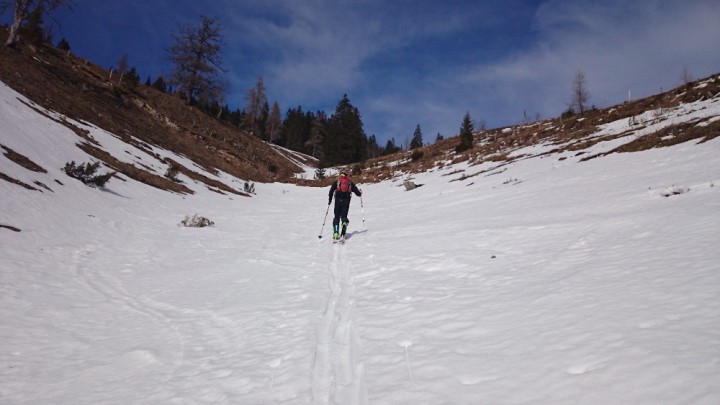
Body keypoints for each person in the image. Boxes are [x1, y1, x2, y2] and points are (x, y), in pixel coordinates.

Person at [328, 171, 362, 240]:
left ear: (340, 175)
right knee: (344, 216)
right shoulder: (349, 183)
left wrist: (330, 200)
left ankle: (336, 233)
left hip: (337, 200)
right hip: (346, 201)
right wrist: (360, 193)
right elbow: (357, 192)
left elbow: (331, 191)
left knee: (336, 216)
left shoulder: (337, 182)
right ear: (346, 176)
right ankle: (344, 227)